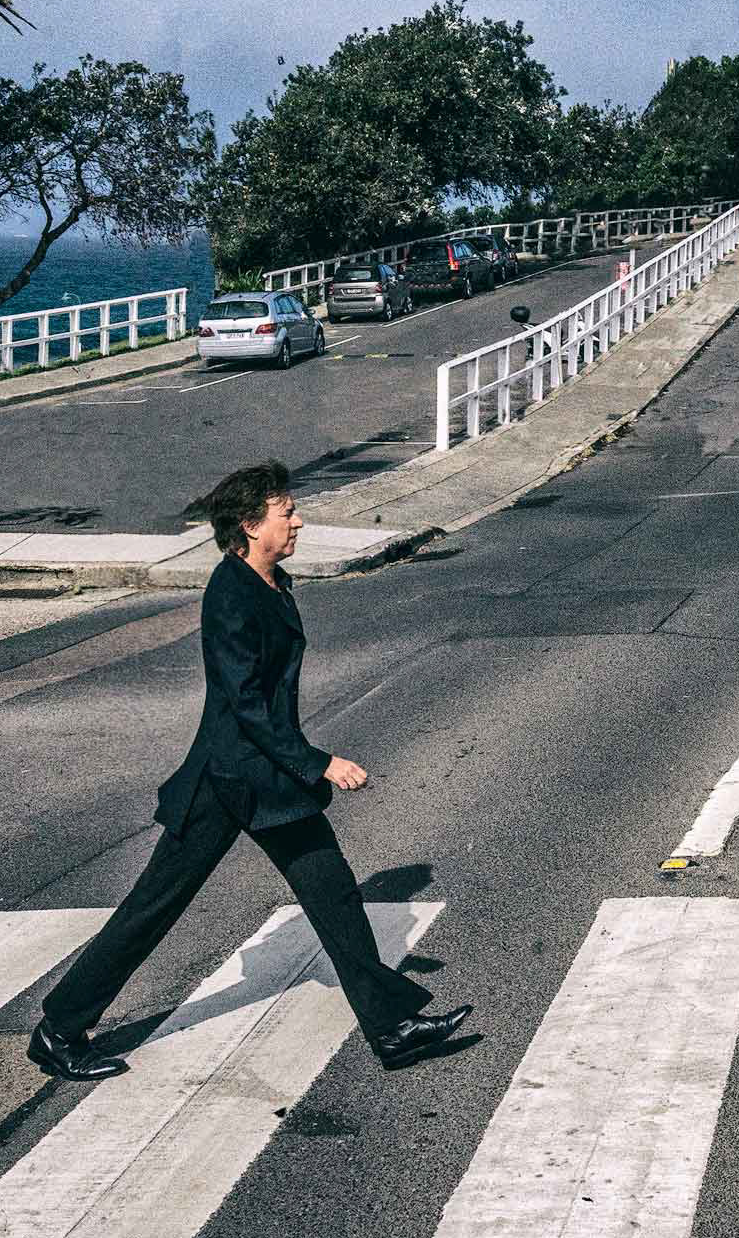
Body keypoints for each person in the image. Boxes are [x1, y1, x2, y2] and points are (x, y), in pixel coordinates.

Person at [27, 460, 470, 1079]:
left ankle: (391, 1026)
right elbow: (248, 705)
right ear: (249, 524)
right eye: (285, 511)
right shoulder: (230, 595)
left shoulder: (272, 582)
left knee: (335, 894)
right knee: (154, 905)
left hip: (264, 777)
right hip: (228, 781)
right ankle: (60, 1029)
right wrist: (319, 764)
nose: (297, 520)